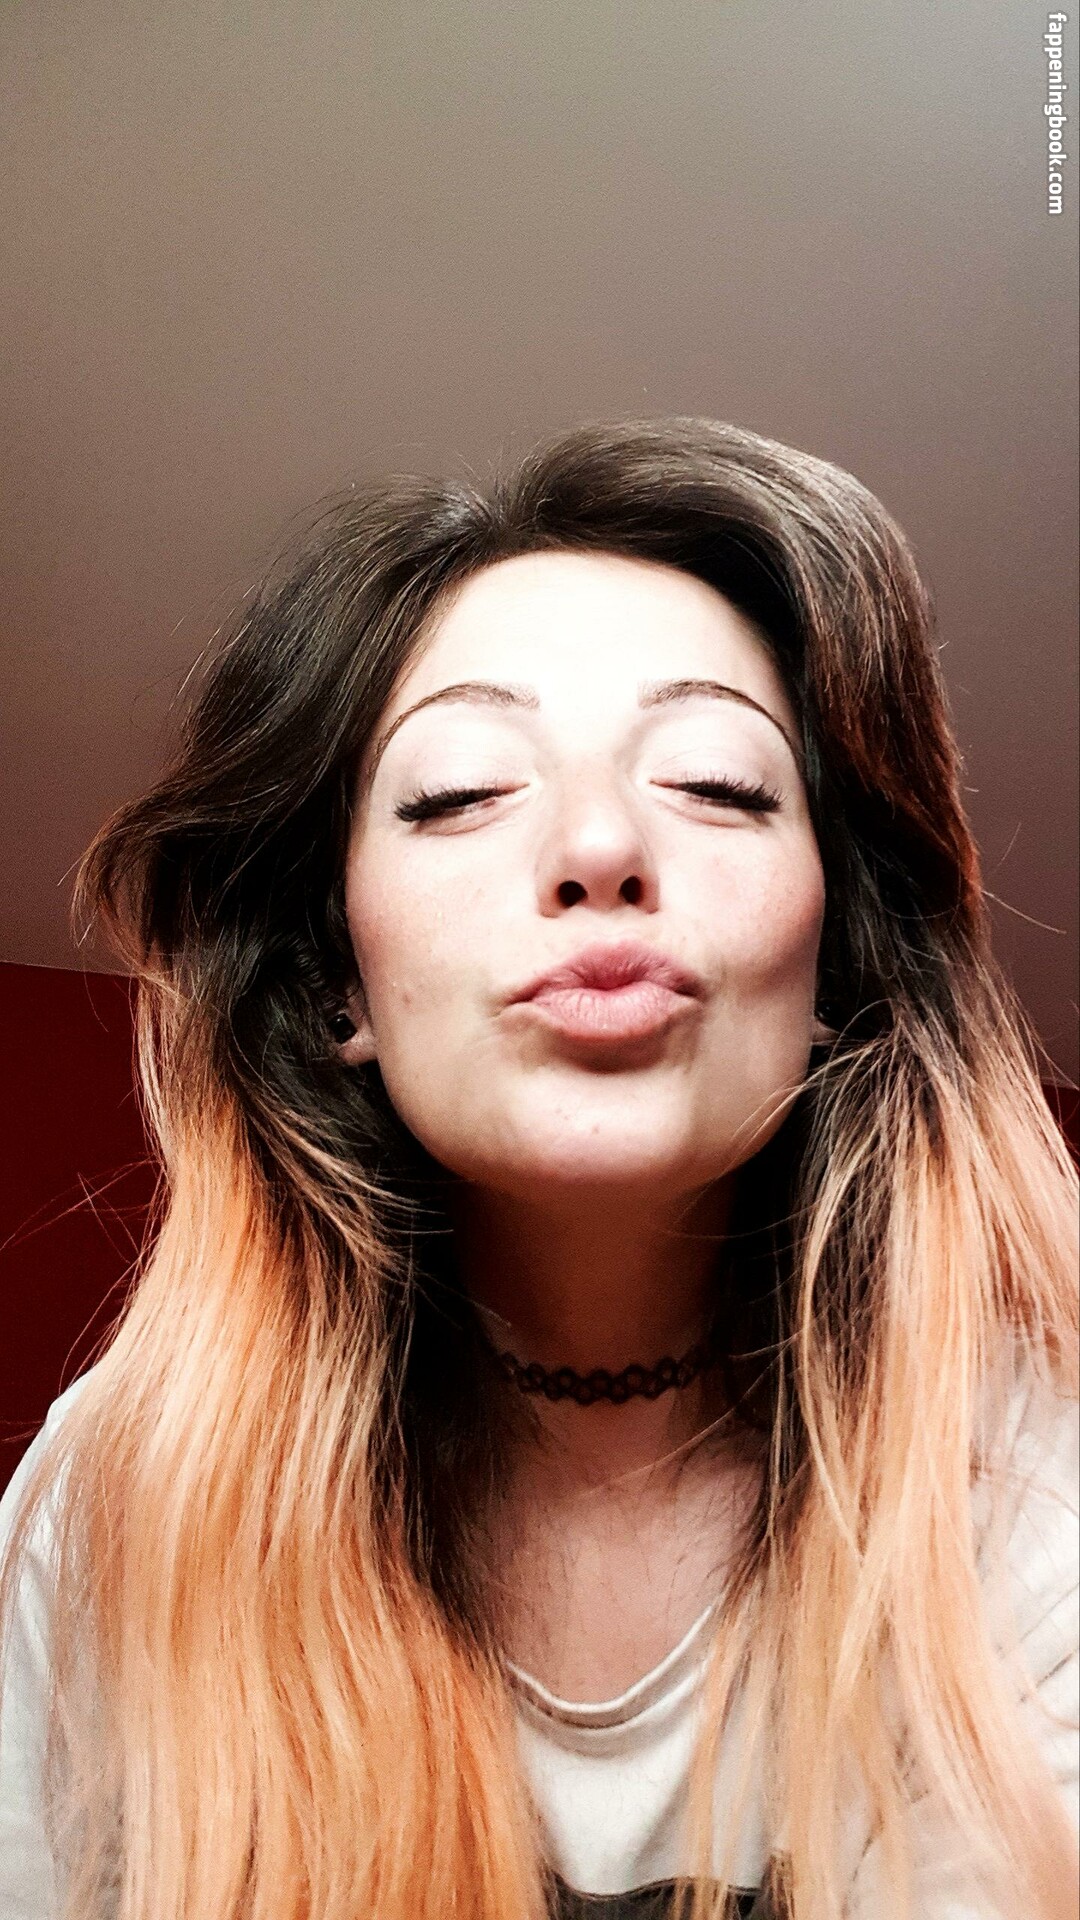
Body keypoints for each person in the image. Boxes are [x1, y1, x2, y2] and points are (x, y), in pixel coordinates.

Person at [0, 417, 1076, 1920]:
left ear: (836, 961)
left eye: (717, 782)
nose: (598, 842)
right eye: (458, 793)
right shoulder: (116, 1504)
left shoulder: (1032, 1479)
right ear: (338, 986)